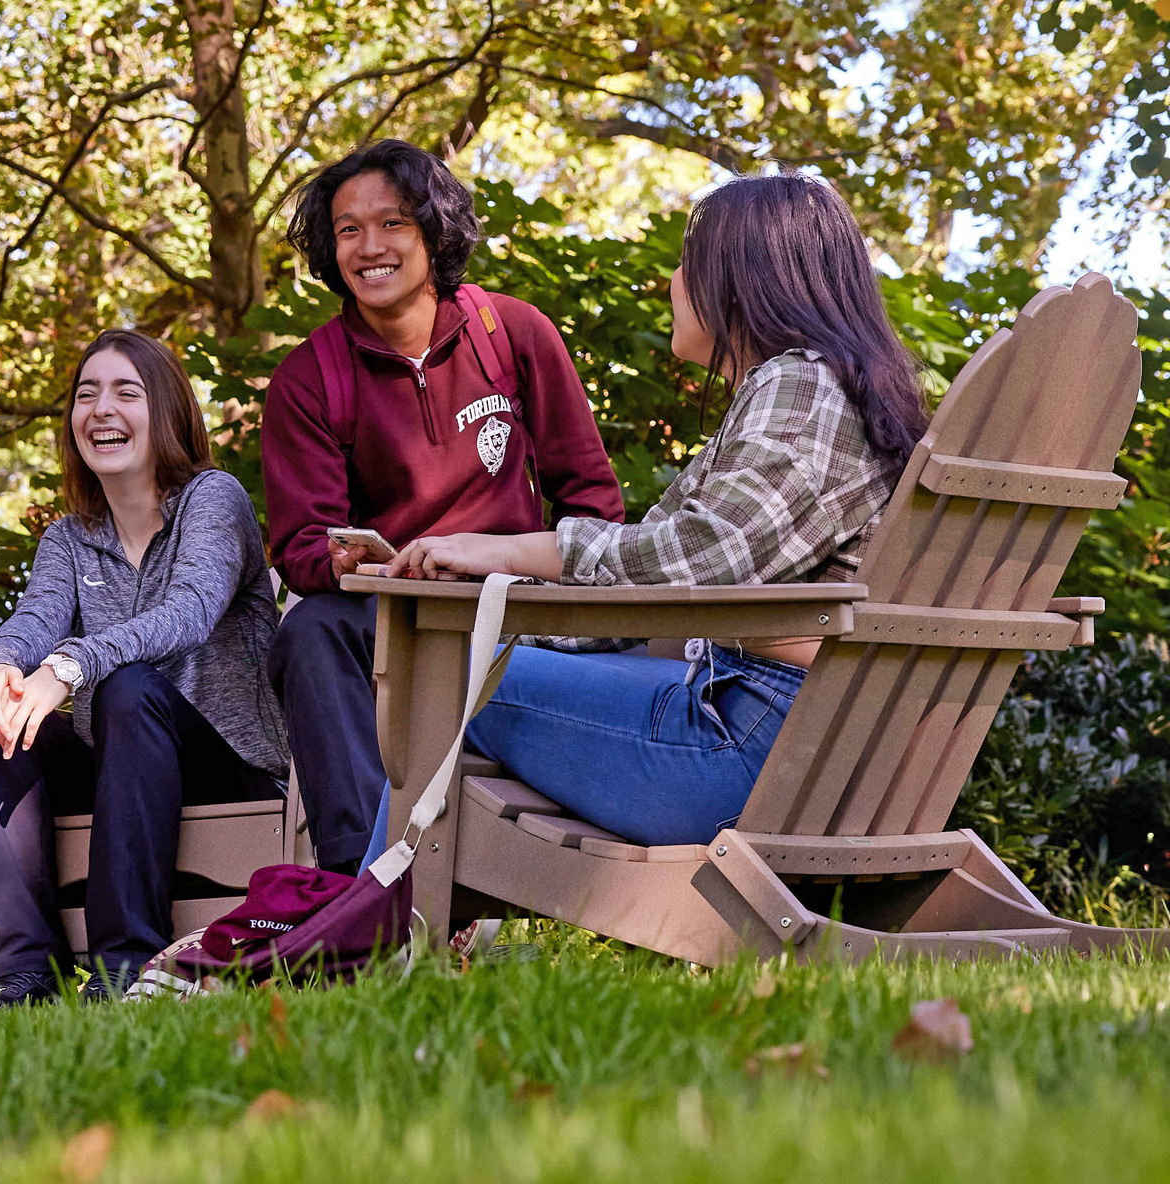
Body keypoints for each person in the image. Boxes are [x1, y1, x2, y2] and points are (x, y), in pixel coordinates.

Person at [384, 171, 929, 846]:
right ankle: (398, 913)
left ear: (740, 278)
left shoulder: (800, 384)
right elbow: (648, 588)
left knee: (440, 674)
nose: (674, 279)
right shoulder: (834, 387)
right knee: (472, 655)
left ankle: (359, 926)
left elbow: (699, 559)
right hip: (807, 744)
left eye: (687, 261)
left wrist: (506, 549)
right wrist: (501, 604)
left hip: (743, 751)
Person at [263, 138, 625, 876]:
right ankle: (355, 890)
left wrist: (551, 579)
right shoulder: (308, 378)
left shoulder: (513, 333)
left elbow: (591, 501)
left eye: (392, 223)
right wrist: (337, 558)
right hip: (395, 618)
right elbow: (300, 542)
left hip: (515, 608)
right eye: (347, 230)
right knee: (308, 631)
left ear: (434, 229)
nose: (370, 247)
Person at [0, 330, 289, 1007]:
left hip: (227, 764)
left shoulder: (212, 500)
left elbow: (190, 611)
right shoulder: (70, 537)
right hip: (121, 766)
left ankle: (124, 969)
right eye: (86, 395)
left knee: (129, 685)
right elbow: (34, 620)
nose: (101, 409)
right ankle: (25, 970)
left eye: (125, 392)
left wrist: (73, 664)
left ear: (167, 412)